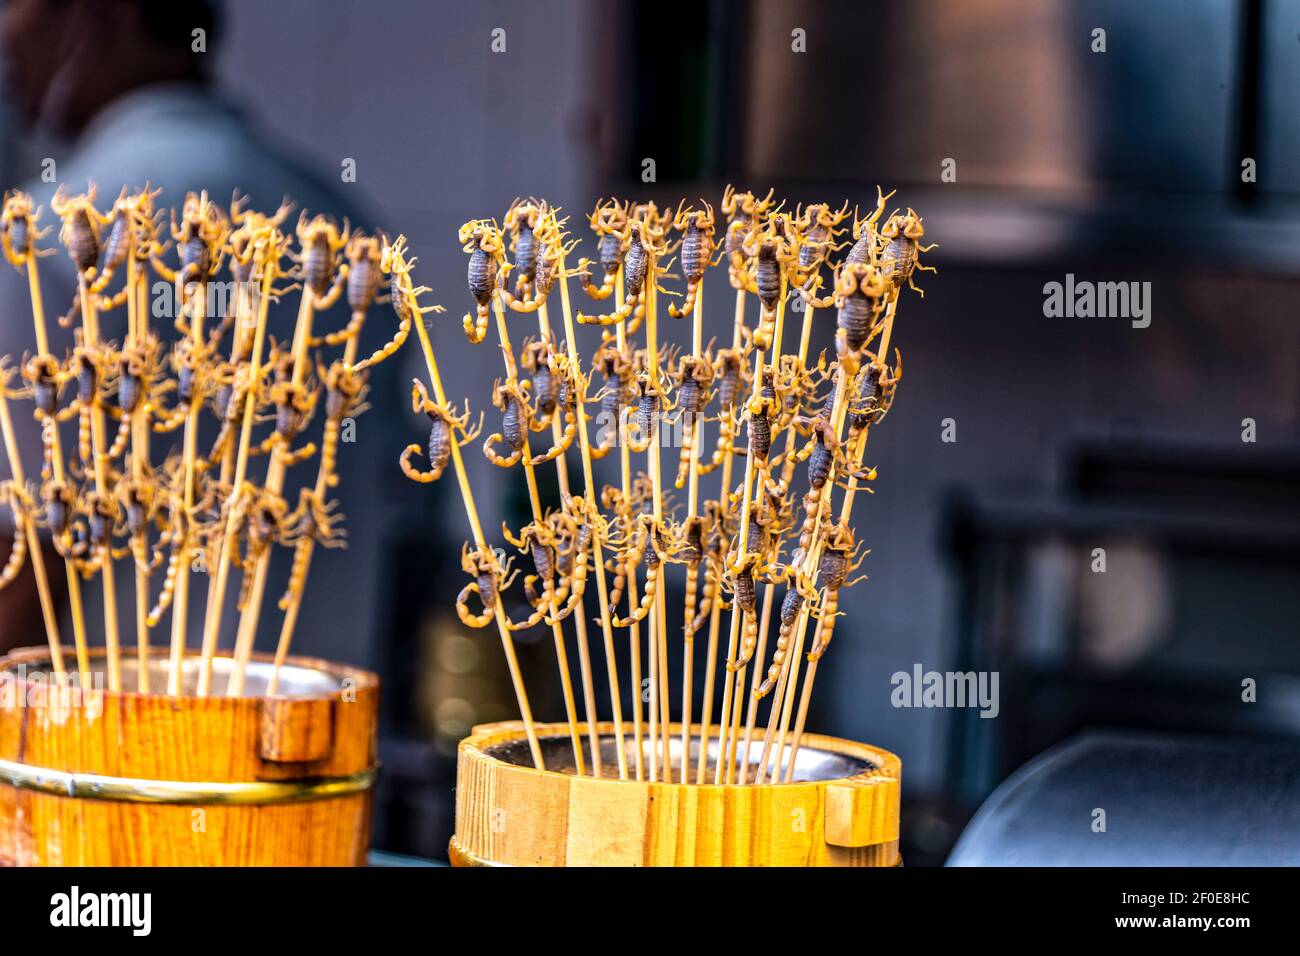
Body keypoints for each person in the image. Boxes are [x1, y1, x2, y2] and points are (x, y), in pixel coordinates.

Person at [0, 0, 394, 675]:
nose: (9, 36)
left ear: (102, 16)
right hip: (319, 740)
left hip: (102, 745)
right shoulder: (348, 223)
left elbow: (23, 555)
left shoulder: (46, 234)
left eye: (22, 8)